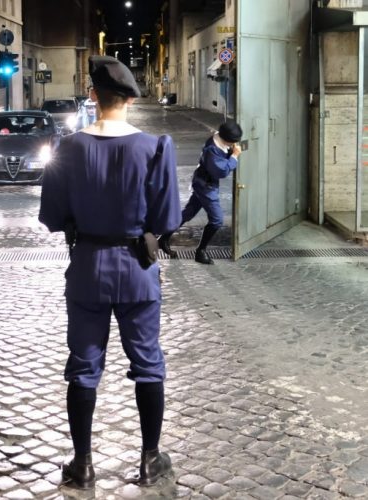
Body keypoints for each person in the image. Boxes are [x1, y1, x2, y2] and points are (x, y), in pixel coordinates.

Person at [39, 55, 181, 490]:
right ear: (130, 100)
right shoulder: (155, 148)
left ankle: (82, 465)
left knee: (83, 366)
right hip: (138, 269)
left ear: (93, 96)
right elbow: (168, 218)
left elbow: (51, 216)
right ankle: (150, 459)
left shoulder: (68, 148)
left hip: (88, 267)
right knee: (148, 363)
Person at [158, 121, 243, 264]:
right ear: (226, 139)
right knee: (217, 220)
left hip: (201, 182)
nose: (234, 144)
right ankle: (201, 251)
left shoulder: (218, 139)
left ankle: (164, 238)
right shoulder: (212, 150)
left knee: (189, 212)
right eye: (232, 141)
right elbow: (222, 171)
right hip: (206, 187)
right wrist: (234, 156)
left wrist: (231, 151)